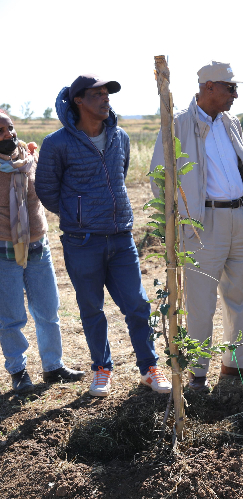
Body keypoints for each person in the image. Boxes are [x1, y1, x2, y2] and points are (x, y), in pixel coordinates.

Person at [36, 74, 170, 397]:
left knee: (138, 304)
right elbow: (46, 190)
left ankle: (149, 368)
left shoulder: (120, 137)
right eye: (97, 94)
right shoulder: (57, 144)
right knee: (91, 308)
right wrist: (78, 216)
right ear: (78, 100)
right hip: (82, 242)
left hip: (122, 238)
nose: (105, 98)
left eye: (107, 93)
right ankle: (102, 369)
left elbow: (120, 176)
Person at [150, 61, 243, 391]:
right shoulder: (178, 124)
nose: (236, 94)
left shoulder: (231, 123)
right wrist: (179, 222)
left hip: (239, 217)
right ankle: (197, 375)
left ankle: (235, 368)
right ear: (209, 87)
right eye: (231, 88)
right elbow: (161, 178)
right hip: (203, 223)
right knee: (201, 302)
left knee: (242, 295)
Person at [0, 110, 84, 394]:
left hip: (38, 244)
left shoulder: (30, 158)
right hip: (4, 249)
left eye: (9, 128)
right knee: (11, 316)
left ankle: (53, 367)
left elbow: (50, 191)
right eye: (0, 132)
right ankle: (18, 371)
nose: (7, 135)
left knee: (48, 310)